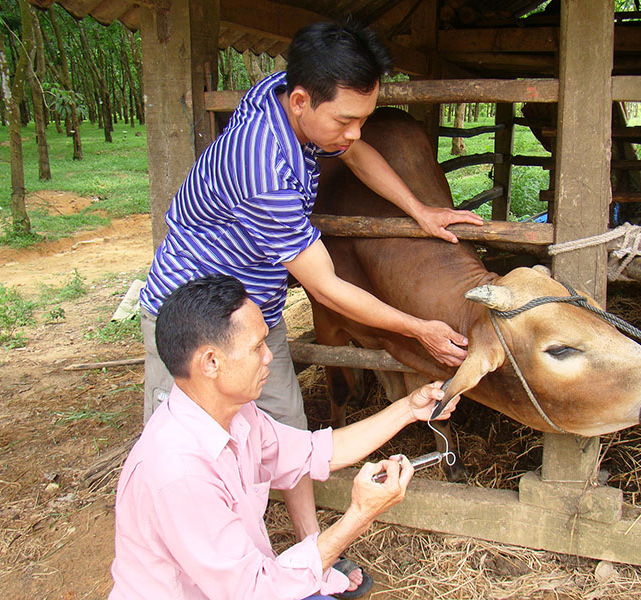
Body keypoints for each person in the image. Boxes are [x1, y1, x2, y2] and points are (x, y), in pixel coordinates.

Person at [137, 17, 482, 568]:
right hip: (188, 311)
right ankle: (201, 564)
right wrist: (419, 328)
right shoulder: (263, 167)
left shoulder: (285, 94)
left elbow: (351, 150)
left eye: (363, 118)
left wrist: (418, 209)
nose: (354, 132)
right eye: (345, 119)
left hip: (251, 311)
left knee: (287, 429)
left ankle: (308, 550)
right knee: (187, 446)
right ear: (300, 101)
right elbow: (327, 285)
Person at [111, 275, 459, 599]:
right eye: (257, 346)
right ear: (211, 363)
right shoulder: (180, 473)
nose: (269, 356)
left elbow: (315, 451)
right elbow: (256, 591)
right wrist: (360, 515)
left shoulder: (236, 415)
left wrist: (410, 410)